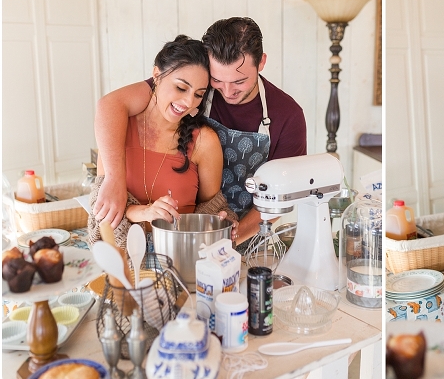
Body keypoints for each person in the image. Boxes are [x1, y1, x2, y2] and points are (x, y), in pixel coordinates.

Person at [91, 18, 307, 243]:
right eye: (217, 80)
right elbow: (111, 105)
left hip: (250, 235)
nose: (227, 91)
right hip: (193, 238)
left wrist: (231, 235)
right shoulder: (192, 87)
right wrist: (114, 180)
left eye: (239, 81)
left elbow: (281, 194)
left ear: (261, 62)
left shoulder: (288, 116)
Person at [87, 36, 238, 248]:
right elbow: (100, 216)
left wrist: (223, 221)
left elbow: (211, 209)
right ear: (157, 75)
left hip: (182, 263)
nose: (188, 102)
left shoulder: (204, 142)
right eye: (181, 88)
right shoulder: (117, 129)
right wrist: (145, 212)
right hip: (123, 269)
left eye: (198, 94)